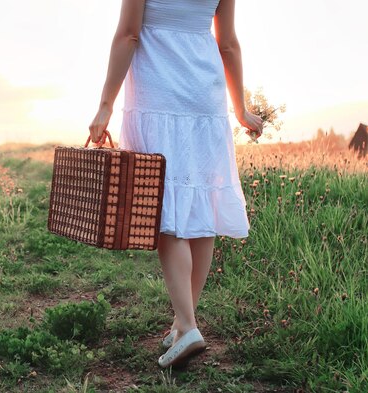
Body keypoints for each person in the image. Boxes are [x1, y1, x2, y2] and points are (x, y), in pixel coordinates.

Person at [88, 0, 263, 368]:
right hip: (205, 95)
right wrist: (241, 109)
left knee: (164, 209)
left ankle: (187, 323)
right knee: (199, 210)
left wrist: (105, 105)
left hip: (159, 92)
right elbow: (227, 42)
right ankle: (184, 324)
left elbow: (128, 34)